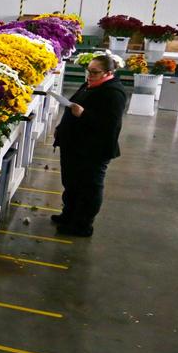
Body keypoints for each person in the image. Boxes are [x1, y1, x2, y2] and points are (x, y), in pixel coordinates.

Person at [52, 54, 128, 237]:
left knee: (89, 187)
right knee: (71, 183)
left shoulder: (113, 93)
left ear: (108, 73)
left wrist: (83, 115)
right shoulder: (90, 85)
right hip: (75, 145)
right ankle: (68, 215)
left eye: (95, 72)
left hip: (93, 150)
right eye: (89, 71)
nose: (90, 75)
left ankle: (82, 225)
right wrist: (61, 128)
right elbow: (72, 106)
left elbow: (109, 125)